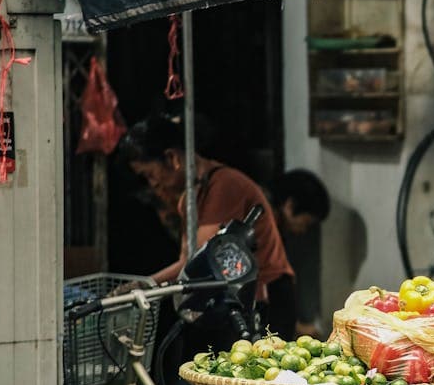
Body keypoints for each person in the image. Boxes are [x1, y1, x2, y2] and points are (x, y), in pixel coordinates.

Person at [118, 113, 296, 338]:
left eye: (150, 174)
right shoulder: (193, 195)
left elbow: (198, 260)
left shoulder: (223, 186)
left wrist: (146, 285)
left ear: (173, 158)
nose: (153, 183)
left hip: (267, 294)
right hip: (241, 295)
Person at [269, 169, 331, 337]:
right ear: (290, 206)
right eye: (307, 222)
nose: (304, 230)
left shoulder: (276, 230)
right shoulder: (266, 230)